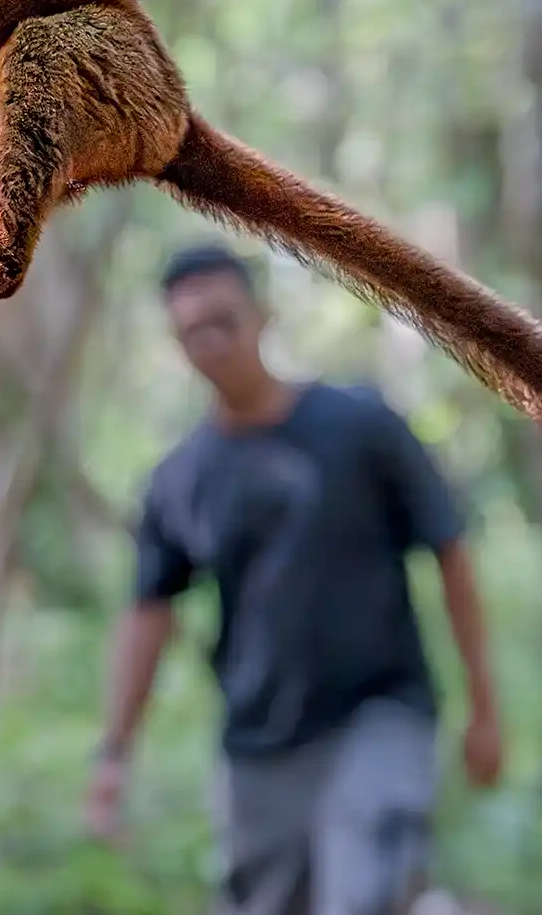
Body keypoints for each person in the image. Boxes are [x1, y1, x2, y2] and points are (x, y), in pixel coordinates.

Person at [84, 242, 502, 915]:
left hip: (379, 712)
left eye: (224, 320)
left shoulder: (361, 427)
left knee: (363, 889)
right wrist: (113, 754)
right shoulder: (181, 478)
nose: (212, 343)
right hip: (260, 744)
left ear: (262, 315)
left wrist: (484, 706)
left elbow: (449, 551)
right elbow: (148, 614)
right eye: (193, 331)